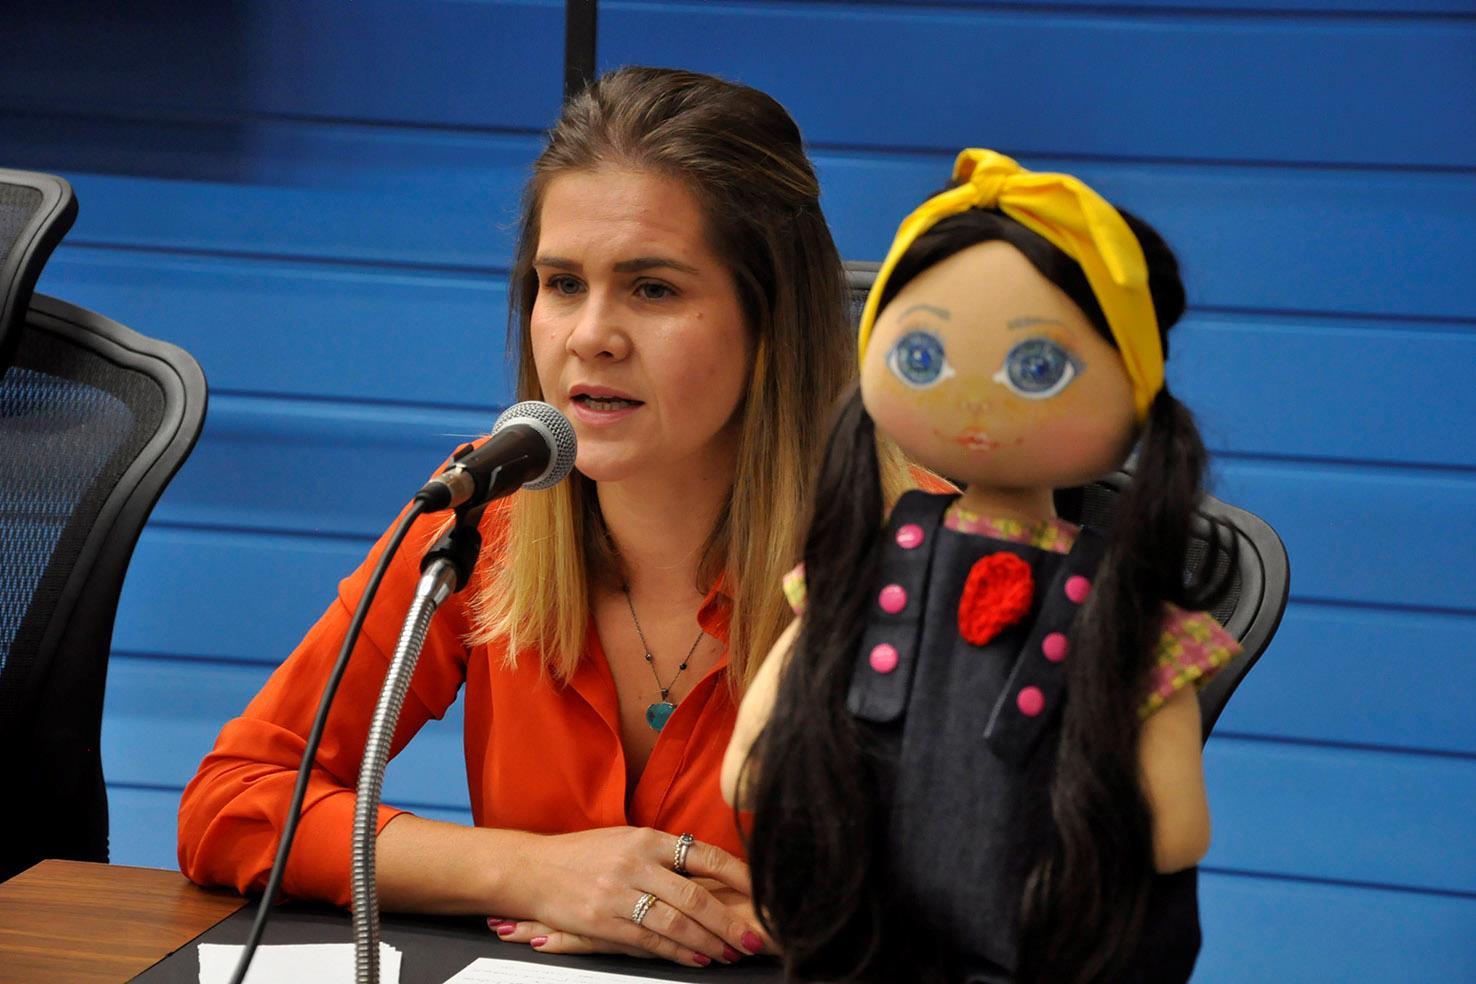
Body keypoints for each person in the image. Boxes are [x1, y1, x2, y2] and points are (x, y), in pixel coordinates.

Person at [178, 66, 906, 969]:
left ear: (772, 322)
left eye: (653, 289)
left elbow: (1036, 896)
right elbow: (235, 799)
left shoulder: (918, 553)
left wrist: (810, 913)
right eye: (561, 284)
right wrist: (528, 871)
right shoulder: (485, 511)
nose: (589, 335)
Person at [723, 150, 1242, 983]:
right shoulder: (1126, 625)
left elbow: (749, 768)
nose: (973, 402)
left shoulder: (858, 579)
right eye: (922, 358)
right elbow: (1174, 832)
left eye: (1037, 367)